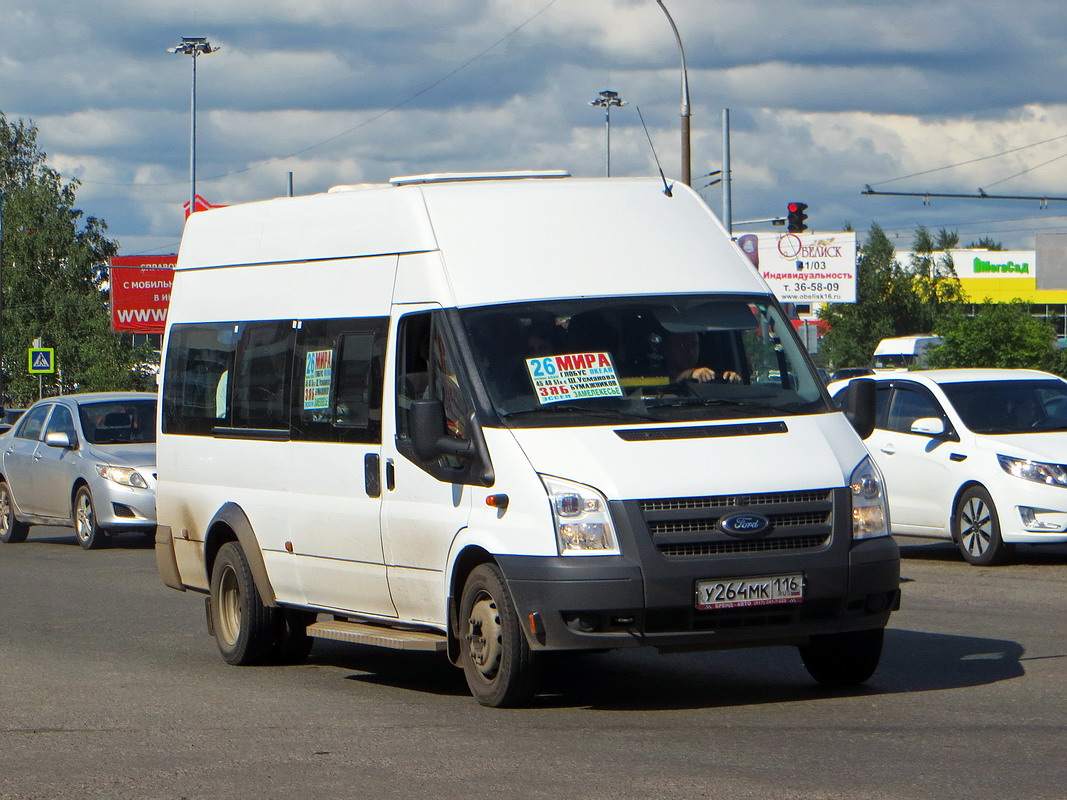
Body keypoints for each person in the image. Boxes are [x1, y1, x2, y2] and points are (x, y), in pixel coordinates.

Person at [664, 331, 740, 383]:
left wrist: (730, 381)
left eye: (694, 345)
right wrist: (689, 375)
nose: (690, 351)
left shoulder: (707, 377)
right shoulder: (656, 377)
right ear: (667, 348)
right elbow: (669, 385)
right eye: (682, 345)